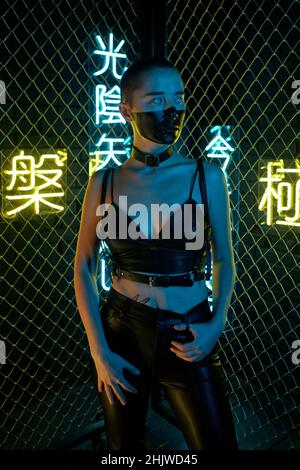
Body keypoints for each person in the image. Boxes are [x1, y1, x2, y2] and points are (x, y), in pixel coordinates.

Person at [74, 56, 238, 450]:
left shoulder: (206, 175)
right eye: (156, 99)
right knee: (123, 449)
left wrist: (216, 324)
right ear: (126, 109)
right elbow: (83, 263)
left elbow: (224, 259)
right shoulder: (104, 181)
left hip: (188, 331)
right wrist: (100, 353)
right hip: (121, 331)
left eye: (178, 97)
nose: (171, 109)